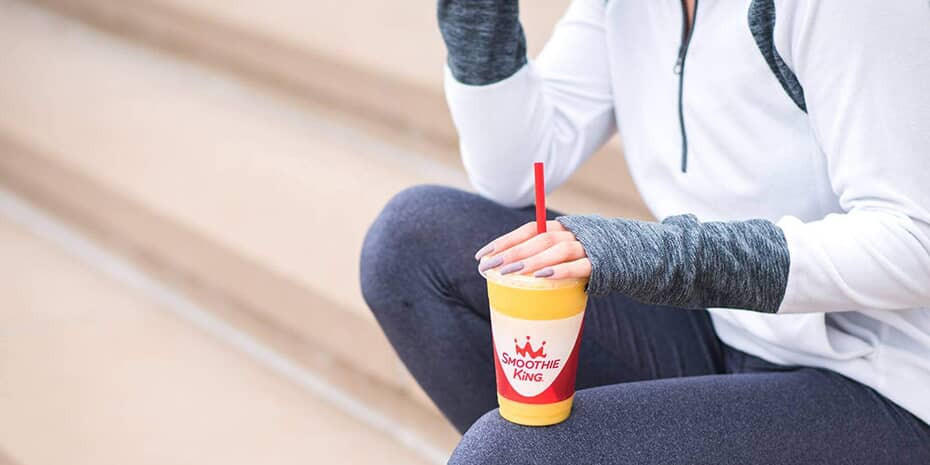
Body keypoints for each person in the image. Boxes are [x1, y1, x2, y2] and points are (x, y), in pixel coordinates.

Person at [360, 0, 930, 463]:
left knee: (508, 455)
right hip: (728, 334)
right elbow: (517, 167)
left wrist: (648, 256)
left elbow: (915, 241)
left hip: (879, 382)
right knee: (414, 244)